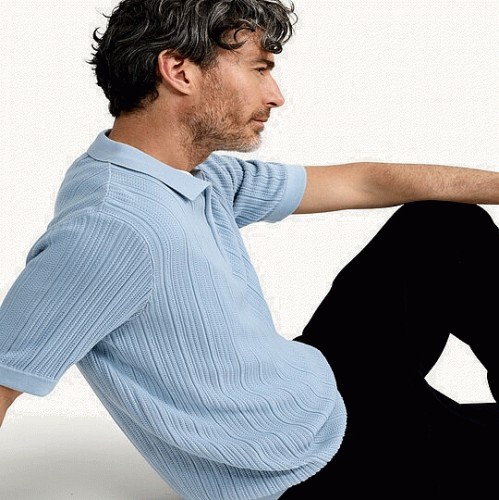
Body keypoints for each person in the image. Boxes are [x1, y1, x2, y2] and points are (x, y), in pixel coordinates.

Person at [1, 0, 498, 498]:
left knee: (443, 226)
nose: (276, 95)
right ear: (179, 71)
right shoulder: (112, 228)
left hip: (314, 387)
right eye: (260, 69)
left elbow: (364, 182)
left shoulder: (188, 175)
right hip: (309, 467)